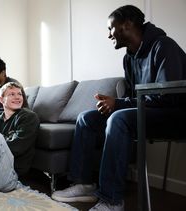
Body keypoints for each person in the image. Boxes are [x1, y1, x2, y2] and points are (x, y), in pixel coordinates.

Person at [51, 5, 186, 211]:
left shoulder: (164, 46)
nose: (108, 35)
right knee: (86, 118)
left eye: (110, 28)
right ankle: (84, 184)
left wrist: (119, 105)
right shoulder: (128, 58)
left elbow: (167, 98)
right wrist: (113, 104)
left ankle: (112, 200)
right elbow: (133, 98)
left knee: (119, 119)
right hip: (146, 112)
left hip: (173, 115)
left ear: (127, 24)